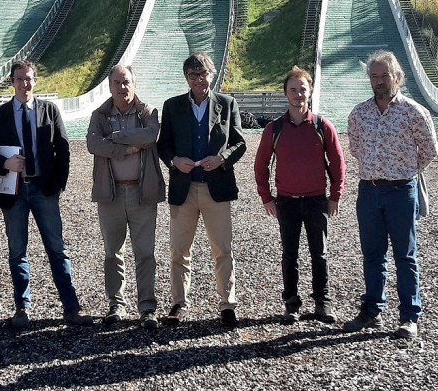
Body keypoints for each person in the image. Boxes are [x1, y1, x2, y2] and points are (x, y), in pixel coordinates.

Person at [0, 60, 92, 329]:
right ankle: (22, 307)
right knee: (17, 251)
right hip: (13, 191)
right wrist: (3, 164)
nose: (25, 84)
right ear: (12, 82)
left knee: (57, 249)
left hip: (43, 190)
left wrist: (57, 185)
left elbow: (63, 149)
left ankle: (71, 307)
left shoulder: (49, 110)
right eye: (19, 79)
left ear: (36, 80)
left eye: (29, 78)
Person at [344, 50, 437, 339]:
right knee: (372, 254)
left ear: (397, 76)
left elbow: (430, 150)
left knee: (405, 256)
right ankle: (372, 310)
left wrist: (405, 169)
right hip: (369, 191)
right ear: (369, 79)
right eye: (374, 76)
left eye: (385, 75)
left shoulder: (413, 111)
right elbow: (356, 149)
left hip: (401, 191)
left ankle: (409, 316)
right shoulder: (359, 113)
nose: (380, 80)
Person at [157, 52, 246, 328]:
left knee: (222, 248)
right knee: (179, 250)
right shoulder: (172, 106)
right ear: (186, 77)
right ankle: (178, 303)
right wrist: (174, 161)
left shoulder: (227, 104)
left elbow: (239, 143)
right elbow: (163, 145)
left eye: (203, 73)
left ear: (213, 74)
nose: (199, 79)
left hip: (215, 187)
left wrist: (222, 159)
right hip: (184, 188)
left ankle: (227, 303)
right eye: (193, 75)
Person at [254, 66, 346, 324]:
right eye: (292, 90)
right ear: (285, 93)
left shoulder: (322, 126)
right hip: (287, 201)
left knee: (320, 253)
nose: (297, 94)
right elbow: (260, 164)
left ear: (310, 91)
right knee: (289, 254)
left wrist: (335, 195)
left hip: (317, 200)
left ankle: (322, 303)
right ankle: (291, 304)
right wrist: (266, 197)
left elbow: (337, 161)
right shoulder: (274, 129)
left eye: (302, 89)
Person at [86, 65, 165, 329]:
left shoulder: (148, 113)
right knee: (112, 253)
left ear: (135, 84)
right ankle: (115, 304)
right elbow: (93, 144)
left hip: (143, 193)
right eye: (117, 83)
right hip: (111, 194)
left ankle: (147, 307)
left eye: (126, 82)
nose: (122, 87)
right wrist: (127, 148)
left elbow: (150, 136)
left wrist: (115, 139)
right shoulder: (100, 115)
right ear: (109, 87)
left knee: (145, 253)